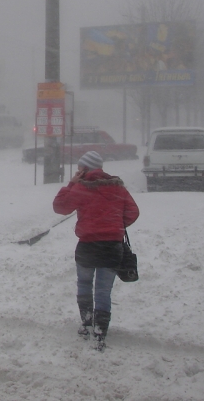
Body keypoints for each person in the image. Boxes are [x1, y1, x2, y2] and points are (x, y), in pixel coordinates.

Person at [53, 150, 140, 351]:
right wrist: (114, 224)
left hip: (88, 245)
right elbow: (133, 212)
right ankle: (101, 330)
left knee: (84, 284)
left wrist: (71, 183)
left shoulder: (81, 188)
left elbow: (60, 206)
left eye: (79, 167)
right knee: (103, 289)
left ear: (85, 168)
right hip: (112, 246)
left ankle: (86, 323)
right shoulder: (118, 188)